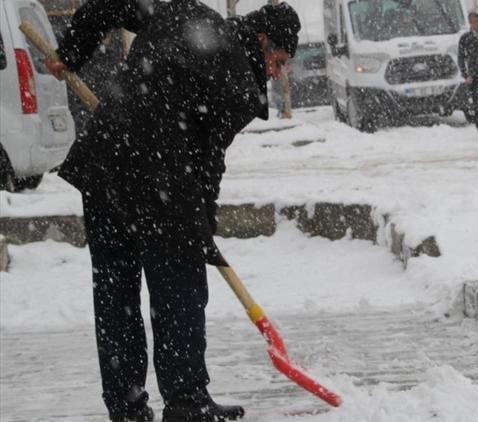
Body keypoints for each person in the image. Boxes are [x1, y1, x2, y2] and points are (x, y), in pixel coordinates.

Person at [44, 1, 300, 421]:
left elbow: (110, 3)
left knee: (114, 293)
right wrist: (203, 228)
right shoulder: (239, 84)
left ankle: (126, 406)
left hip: (106, 163)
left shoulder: (185, 13)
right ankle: (186, 401)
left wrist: (71, 52)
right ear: (261, 39)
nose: (277, 72)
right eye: (279, 60)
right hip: (160, 183)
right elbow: (207, 163)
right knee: (179, 288)